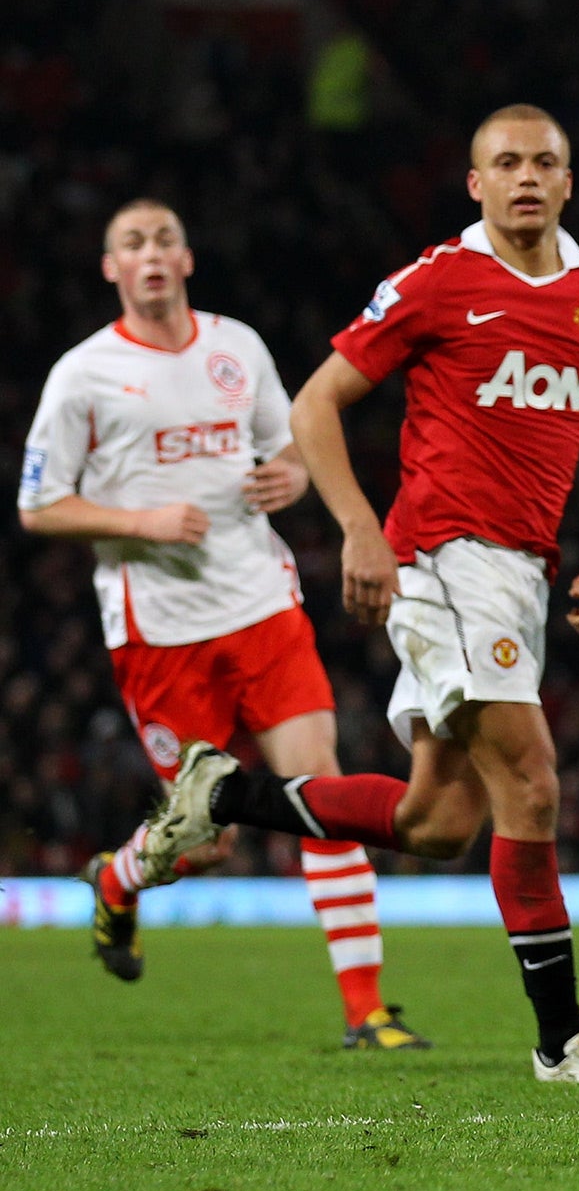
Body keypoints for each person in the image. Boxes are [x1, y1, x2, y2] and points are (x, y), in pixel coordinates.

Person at [144, 105, 579, 1083]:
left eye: (542, 163)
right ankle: (563, 1040)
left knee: (438, 823)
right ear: (474, 183)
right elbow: (313, 404)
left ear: (567, 181)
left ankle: (223, 790)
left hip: (520, 571)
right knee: (534, 782)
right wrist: (360, 529)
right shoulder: (437, 281)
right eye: (503, 163)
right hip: (439, 559)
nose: (523, 178)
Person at [17, 199, 423, 1050]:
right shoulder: (83, 374)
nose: (151, 253)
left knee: (321, 789)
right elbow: (38, 508)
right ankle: (119, 880)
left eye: (165, 239)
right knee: (203, 843)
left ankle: (367, 1010)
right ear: (112, 269)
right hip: (159, 629)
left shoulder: (236, 347)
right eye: (133, 243)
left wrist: (291, 480)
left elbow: (289, 449)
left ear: (187, 258)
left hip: (261, 604)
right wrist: (143, 522)